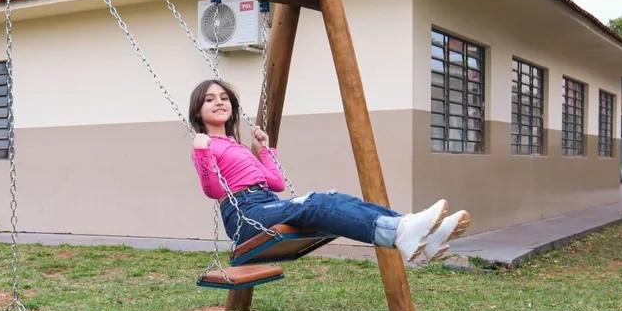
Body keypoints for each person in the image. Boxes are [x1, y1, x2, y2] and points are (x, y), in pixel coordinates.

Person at [188, 79, 470, 263]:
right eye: (210, 99)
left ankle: (421, 233)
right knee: (317, 204)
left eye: (224, 97)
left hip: (264, 203)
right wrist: (201, 151)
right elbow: (213, 190)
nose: (219, 102)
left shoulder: (236, 146)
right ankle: (401, 231)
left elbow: (275, 183)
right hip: (245, 216)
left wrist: (265, 150)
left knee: (335, 199)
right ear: (198, 111)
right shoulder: (206, 145)